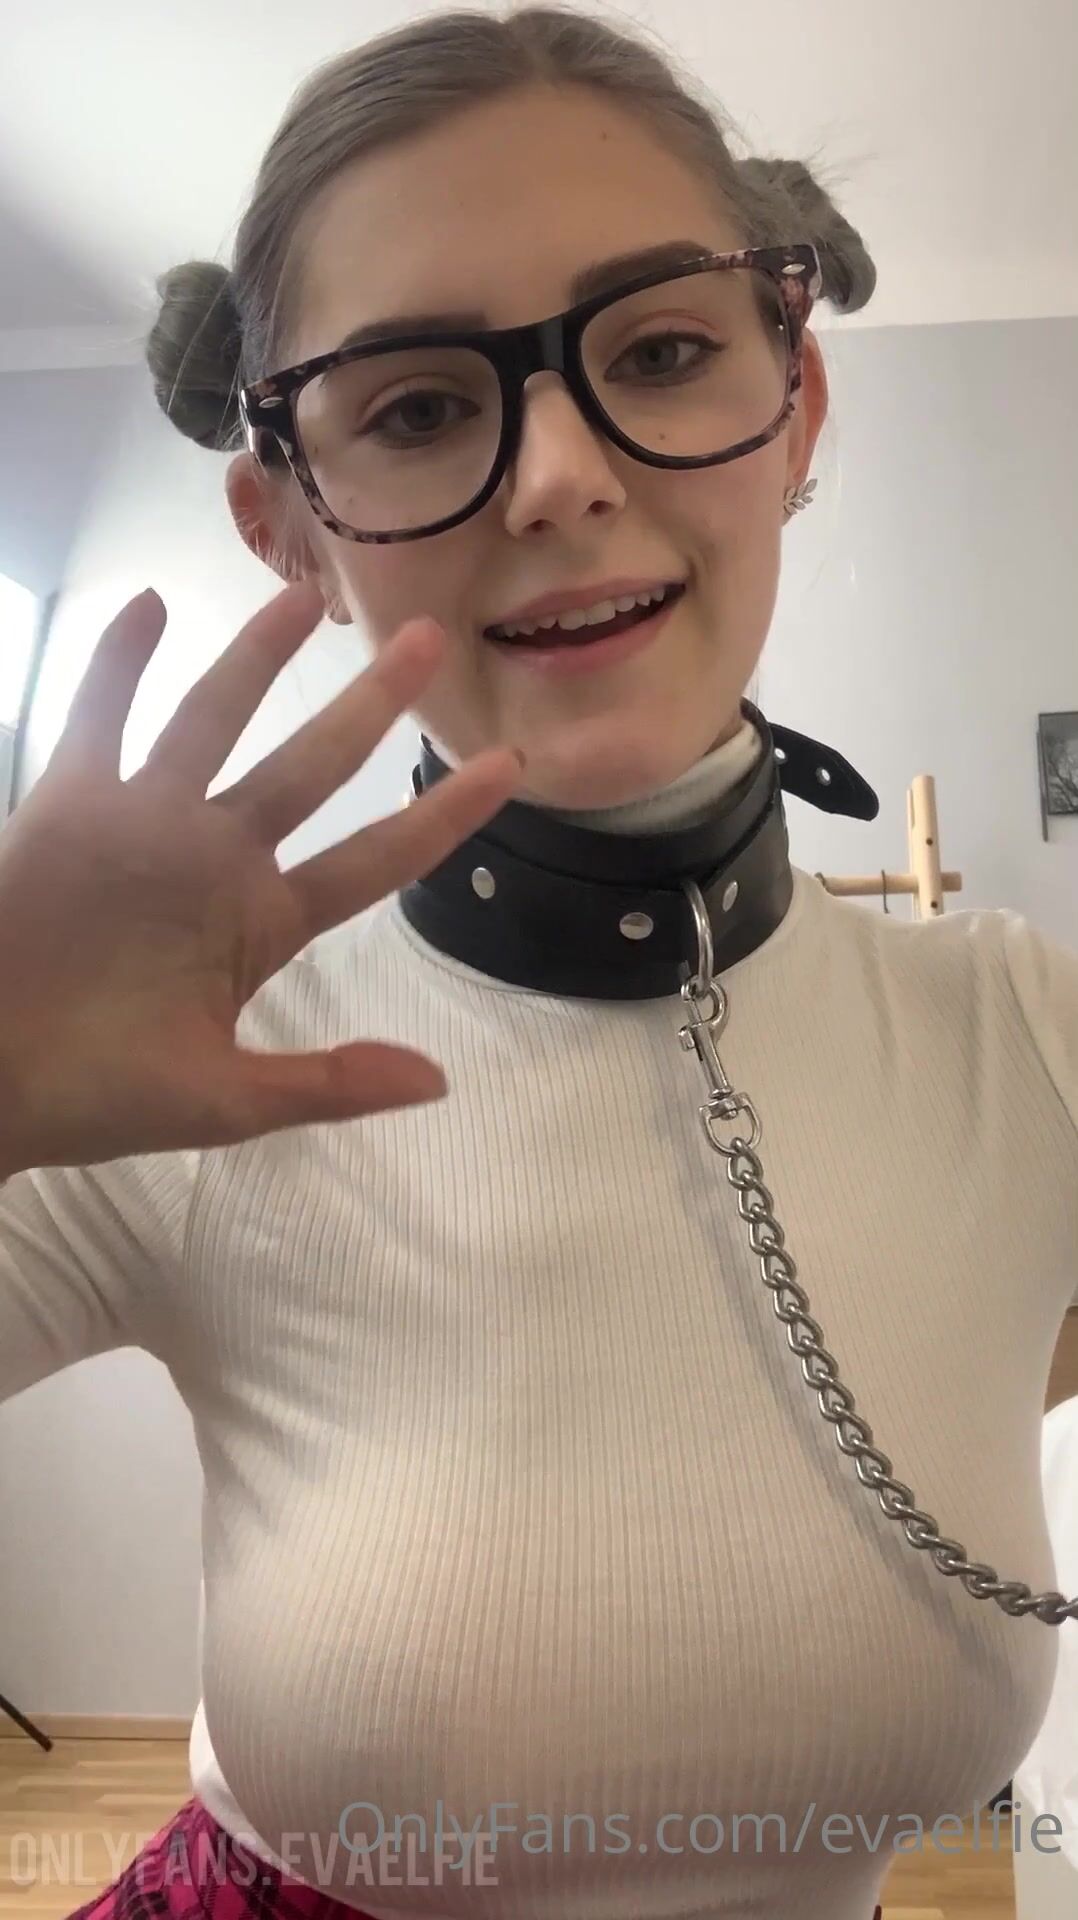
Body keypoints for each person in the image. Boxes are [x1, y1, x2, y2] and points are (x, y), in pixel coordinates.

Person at [1, 7, 1075, 1920]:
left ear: (796, 407)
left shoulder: (1030, 1042)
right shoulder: (181, 1065)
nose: (558, 474)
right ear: (288, 525)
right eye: (418, 408)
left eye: (658, 350)